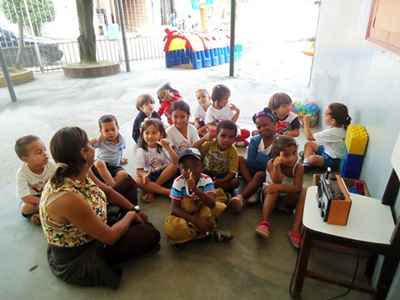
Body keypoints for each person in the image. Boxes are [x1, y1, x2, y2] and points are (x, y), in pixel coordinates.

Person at [40, 127, 160, 288]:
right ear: (83, 153)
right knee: (150, 234)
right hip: (82, 252)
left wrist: (135, 209)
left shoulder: (80, 168)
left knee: (128, 183)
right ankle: (124, 223)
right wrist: (131, 215)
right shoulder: (68, 198)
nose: (93, 146)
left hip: (96, 216)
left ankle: (123, 222)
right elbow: (109, 237)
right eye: (89, 145)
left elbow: (109, 191)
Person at [165, 148, 232, 244]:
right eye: (185, 167)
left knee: (217, 207)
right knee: (174, 228)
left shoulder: (206, 179)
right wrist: (194, 220)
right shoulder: (178, 182)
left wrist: (195, 190)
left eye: (195, 166)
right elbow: (174, 208)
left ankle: (196, 231)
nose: (190, 170)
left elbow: (211, 203)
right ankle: (206, 230)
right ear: (180, 169)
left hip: (202, 209)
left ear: (202, 167)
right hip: (186, 214)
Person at [256, 136, 305, 249]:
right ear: (277, 155)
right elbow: (276, 180)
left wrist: (277, 187)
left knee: (303, 191)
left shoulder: (299, 167)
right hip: (269, 197)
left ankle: (295, 230)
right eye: (287, 155)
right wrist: (276, 166)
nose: (292, 158)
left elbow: (297, 188)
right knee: (273, 191)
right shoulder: (271, 163)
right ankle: (264, 222)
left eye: (294, 153)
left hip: (286, 201)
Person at [232, 108, 277, 206]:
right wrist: (265, 160)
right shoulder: (255, 140)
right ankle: (252, 186)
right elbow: (251, 162)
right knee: (240, 159)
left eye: (265, 125)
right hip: (251, 170)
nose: (262, 129)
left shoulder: (279, 143)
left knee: (259, 175)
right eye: (259, 127)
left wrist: (259, 158)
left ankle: (241, 197)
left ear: (275, 124)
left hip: (267, 175)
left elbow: (272, 166)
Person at [198, 120, 242, 212]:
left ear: (234, 139)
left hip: (222, 176)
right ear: (216, 135)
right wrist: (204, 138)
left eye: (231, 137)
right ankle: (219, 194)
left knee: (235, 182)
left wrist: (220, 181)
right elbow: (194, 150)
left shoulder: (233, 151)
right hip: (206, 173)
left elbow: (232, 173)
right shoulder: (210, 144)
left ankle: (225, 195)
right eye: (223, 136)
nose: (226, 140)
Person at [15, 135, 56, 225]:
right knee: (26, 208)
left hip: (51, 194)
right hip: (35, 199)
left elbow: (60, 181)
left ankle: (45, 214)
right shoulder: (22, 174)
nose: (45, 153)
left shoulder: (51, 165)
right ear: (25, 159)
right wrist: (44, 202)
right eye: (39, 152)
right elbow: (25, 197)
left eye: (45, 149)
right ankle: (40, 215)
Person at [135, 118, 178, 202]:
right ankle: (168, 192)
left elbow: (176, 161)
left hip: (166, 174)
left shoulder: (163, 145)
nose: (150, 136)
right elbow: (139, 171)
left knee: (174, 166)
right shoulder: (141, 150)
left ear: (161, 135)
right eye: (147, 133)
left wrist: (168, 148)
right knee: (138, 180)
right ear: (142, 134)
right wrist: (144, 175)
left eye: (154, 133)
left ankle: (153, 190)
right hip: (151, 175)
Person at [303, 102, 351, 169]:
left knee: (313, 159)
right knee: (309, 144)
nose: (324, 116)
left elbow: (309, 137)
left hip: (333, 159)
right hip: (326, 151)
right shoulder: (338, 128)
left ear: (333, 121)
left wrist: (305, 122)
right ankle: (306, 163)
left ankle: (307, 163)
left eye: (326, 114)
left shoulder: (334, 132)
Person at [90, 114, 129, 187]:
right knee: (99, 163)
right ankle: (112, 185)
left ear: (117, 128)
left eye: (113, 129)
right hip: (101, 168)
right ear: (101, 132)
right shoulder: (100, 140)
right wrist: (91, 142)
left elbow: (119, 151)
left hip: (114, 167)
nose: (110, 132)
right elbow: (87, 148)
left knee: (124, 174)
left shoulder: (121, 139)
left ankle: (108, 186)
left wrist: (120, 160)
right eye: (106, 130)